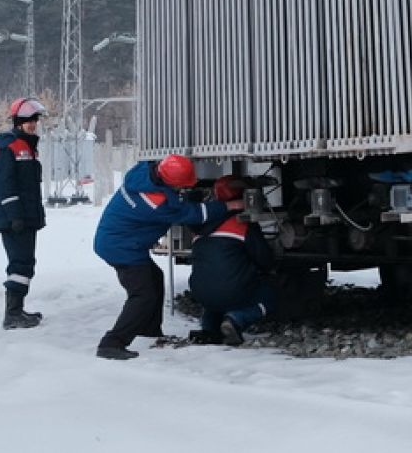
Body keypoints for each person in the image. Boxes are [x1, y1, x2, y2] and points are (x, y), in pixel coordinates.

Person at [91, 154, 239, 360]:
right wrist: (227, 207)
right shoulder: (156, 202)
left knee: (155, 277)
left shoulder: (143, 172)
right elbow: (194, 214)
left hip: (117, 241)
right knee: (143, 295)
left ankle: (149, 331)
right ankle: (112, 343)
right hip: (122, 248)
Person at [188, 175, 277, 346]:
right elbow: (264, 259)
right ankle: (236, 319)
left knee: (215, 293)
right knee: (269, 296)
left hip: (200, 294)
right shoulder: (241, 225)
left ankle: (209, 328)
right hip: (232, 293)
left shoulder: (200, 225)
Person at [0, 97, 48, 330]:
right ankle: (12, 314)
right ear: (17, 122)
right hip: (15, 219)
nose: (32, 124)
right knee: (20, 263)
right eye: (27, 120)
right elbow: (5, 184)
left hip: (25, 217)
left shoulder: (27, 147)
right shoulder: (10, 146)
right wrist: (15, 215)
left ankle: (16, 310)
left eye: (34, 120)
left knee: (25, 263)